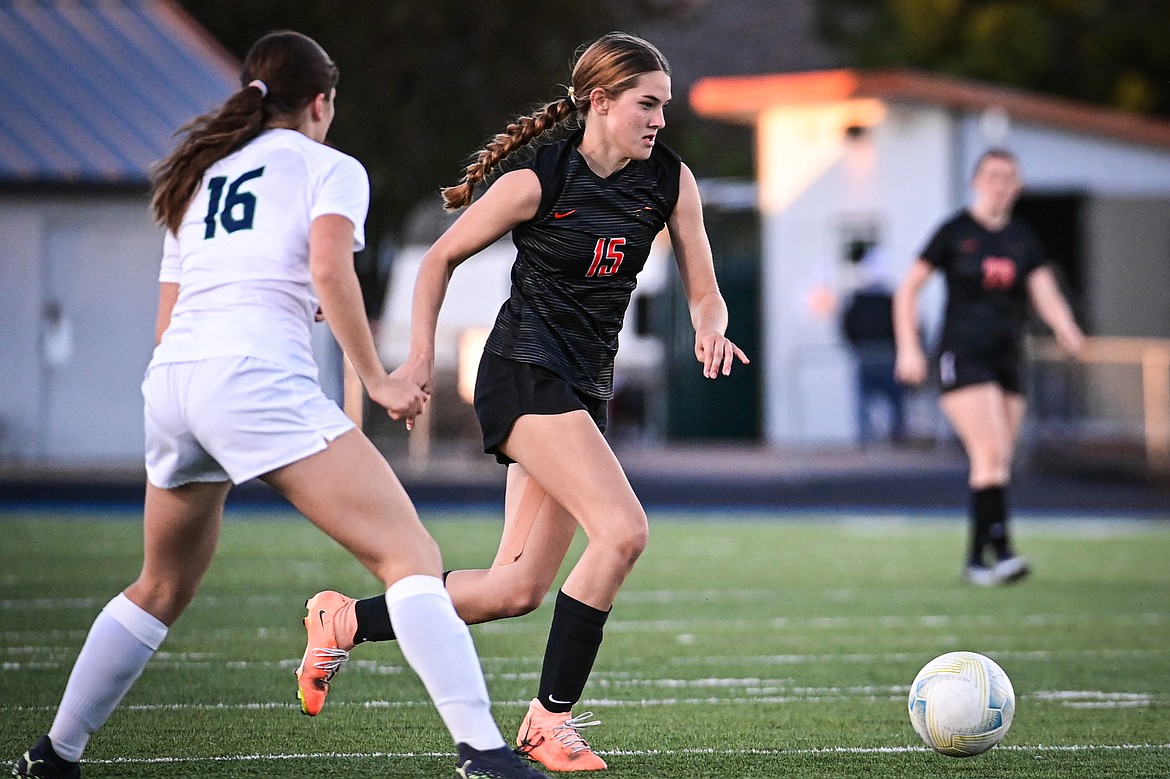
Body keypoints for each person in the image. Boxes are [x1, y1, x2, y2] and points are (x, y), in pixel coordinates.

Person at [12, 30, 546, 779]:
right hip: (252, 380)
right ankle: (485, 752)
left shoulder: (198, 175)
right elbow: (330, 267)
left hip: (174, 381)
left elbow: (176, 314)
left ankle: (53, 753)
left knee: (159, 583)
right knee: (411, 557)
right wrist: (382, 377)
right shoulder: (328, 166)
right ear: (321, 103)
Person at [293, 31, 749, 772]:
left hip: (581, 388)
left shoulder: (670, 181)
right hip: (523, 374)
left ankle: (342, 618)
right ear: (599, 102)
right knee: (624, 530)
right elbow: (437, 259)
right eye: (647, 103)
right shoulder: (541, 179)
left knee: (514, 588)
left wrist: (710, 329)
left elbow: (705, 289)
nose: (660, 118)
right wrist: (413, 358)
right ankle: (547, 722)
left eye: (664, 105)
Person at [893, 148, 1083, 587]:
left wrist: (1065, 326)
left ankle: (979, 558)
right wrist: (909, 348)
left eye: (1009, 177)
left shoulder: (1022, 237)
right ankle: (1001, 551)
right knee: (991, 450)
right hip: (963, 352)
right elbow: (908, 290)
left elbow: (1044, 289)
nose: (1001, 184)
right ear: (976, 181)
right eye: (993, 176)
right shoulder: (955, 232)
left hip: (1007, 355)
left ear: (1017, 186)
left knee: (996, 460)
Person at [841, 247, 906, 445]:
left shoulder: (858, 299)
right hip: (884, 352)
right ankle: (896, 437)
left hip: (871, 353)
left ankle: (866, 439)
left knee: (867, 400)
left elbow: (846, 324)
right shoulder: (890, 299)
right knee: (893, 399)